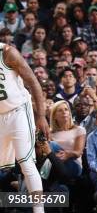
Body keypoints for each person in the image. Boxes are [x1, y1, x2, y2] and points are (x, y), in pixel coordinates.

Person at [0, 42, 50, 213]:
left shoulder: (8, 53)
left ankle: (39, 210)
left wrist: (41, 116)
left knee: (26, 162)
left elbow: (33, 82)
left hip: (18, 111)